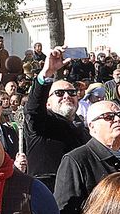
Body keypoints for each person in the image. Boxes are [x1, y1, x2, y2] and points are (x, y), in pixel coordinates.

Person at [53, 99, 120, 214]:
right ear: (92, 126)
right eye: (109, 117)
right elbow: (66, 212)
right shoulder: (77, 160)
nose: (118, 119)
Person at [23, 49, 89, 190]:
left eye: (71, 92)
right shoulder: (41, 122)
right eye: (59, 93)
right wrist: (46, 74)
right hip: (50, 196)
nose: (66, 96)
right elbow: (33, 109)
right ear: (47, 103)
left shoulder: (83, 129)